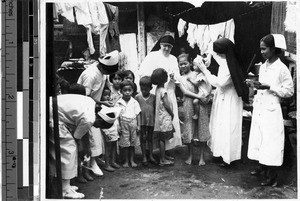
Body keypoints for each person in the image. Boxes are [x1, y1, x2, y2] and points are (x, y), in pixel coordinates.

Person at [49, 94, 119, 199]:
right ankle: (65, 190)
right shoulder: (89, 119)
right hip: (53, 116)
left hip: (55, 110)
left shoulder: (91, 103)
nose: (95, 127)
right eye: (98, 126)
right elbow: (77, 138)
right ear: (100, 120)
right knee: (69, 151)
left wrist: (85, 149)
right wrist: (83, 151)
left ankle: (65, 185)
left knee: (69, 150)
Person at [247, 34, 294, 186]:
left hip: (272, 108)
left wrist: (270, 88)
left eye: (264, 49)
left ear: (273, 49)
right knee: (259, 138)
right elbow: (262, 85)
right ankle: (262, 166)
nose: (262, 52)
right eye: (261, 49)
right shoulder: (264, 65)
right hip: (261, 105)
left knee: (270, 141)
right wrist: (254, 86)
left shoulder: (282, 68)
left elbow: (289, 91)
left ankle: (272, 176)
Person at [195, 37, 249, 166]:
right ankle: (220, 153)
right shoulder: (227, 60)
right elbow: (216, 55)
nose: (217, 55)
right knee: (220, 126)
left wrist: (204, 70)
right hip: (223, 98)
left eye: (218, 52)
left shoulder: (230, 65)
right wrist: (209, 55)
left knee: (228, 127)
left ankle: (229, 157)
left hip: (230, 99)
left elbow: (219, 82)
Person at [77, 50, 119, 176]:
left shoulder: (103, 71)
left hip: (94, 107)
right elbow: (85, 96)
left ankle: (93, 163)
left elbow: (106, 84)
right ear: (102, 66)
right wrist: (102, 103)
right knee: (87, 140)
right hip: (83, 107)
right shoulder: (91, 75)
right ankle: (85, 169)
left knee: (95, 138)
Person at [139, 34, 182, 154]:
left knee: (168, 120)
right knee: (158, 120)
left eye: (169, 46)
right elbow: (143, 73)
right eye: (165, 46)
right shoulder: (152, 56)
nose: (167, 49)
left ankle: (167, 149)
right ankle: (153, 149)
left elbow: (177, 75)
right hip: (156, 91)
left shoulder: (173, 58)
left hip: (170, 91)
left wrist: (174, 77)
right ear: (160, 45)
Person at [175, 54, 211, 166]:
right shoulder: (179, 78)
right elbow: (185, 92)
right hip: (188, 104)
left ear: (190, 62)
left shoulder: (198, 74)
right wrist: (198, 97)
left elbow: (206, 86)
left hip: (201, 105)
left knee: (202, 128)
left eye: (185, 63)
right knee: (188, 129)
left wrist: (202, 97)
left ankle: (201, 157)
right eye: (181, 64)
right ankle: (190, 156)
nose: (183, 66)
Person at [151, 68, 175, 166]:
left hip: (159, 117)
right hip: (164, 116)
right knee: (163, 138)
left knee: (162, 137)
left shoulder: (157, 89)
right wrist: (172, 113)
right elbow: (166, 104)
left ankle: (163, 156)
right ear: (164, 79)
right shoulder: (163, 91)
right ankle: (162, 159)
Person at [116, 80, 141, 168]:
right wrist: (118, 125)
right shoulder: (118, 103)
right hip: (123, 124)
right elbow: (117, 116)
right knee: (125, 143)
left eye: (129, 90)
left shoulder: (134, 102)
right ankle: (126, 161)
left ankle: (132, 160)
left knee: (132, 143)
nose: (127, 92)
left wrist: (138, 125)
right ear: (121, 91)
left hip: (133, 123)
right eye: (125, 90)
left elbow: (138, 114)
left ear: (132, 91)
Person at [135, 76, 157, 166]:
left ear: (151, 88)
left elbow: (155, 108)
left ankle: (151, 156)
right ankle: (144, 156)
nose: (144, 91)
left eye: (146, 89)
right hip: (142, 121)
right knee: (143, 138)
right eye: (142, 89)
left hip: (151, 121)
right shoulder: (137, 97)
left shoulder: (153, 97)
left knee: (150, 138)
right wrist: (138, 124)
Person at [100, 87, 121, 172]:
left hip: (114, 129)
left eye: (109, 95)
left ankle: (113, 161)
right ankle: (107, 164)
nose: (108, 97)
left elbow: (116, 117)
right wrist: (105, 132)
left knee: (114, 146)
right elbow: (101, 122)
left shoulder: (112, 105)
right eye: (105, 95)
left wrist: (118, 126)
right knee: (108, 147)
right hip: (107, 130)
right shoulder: (101, 107)